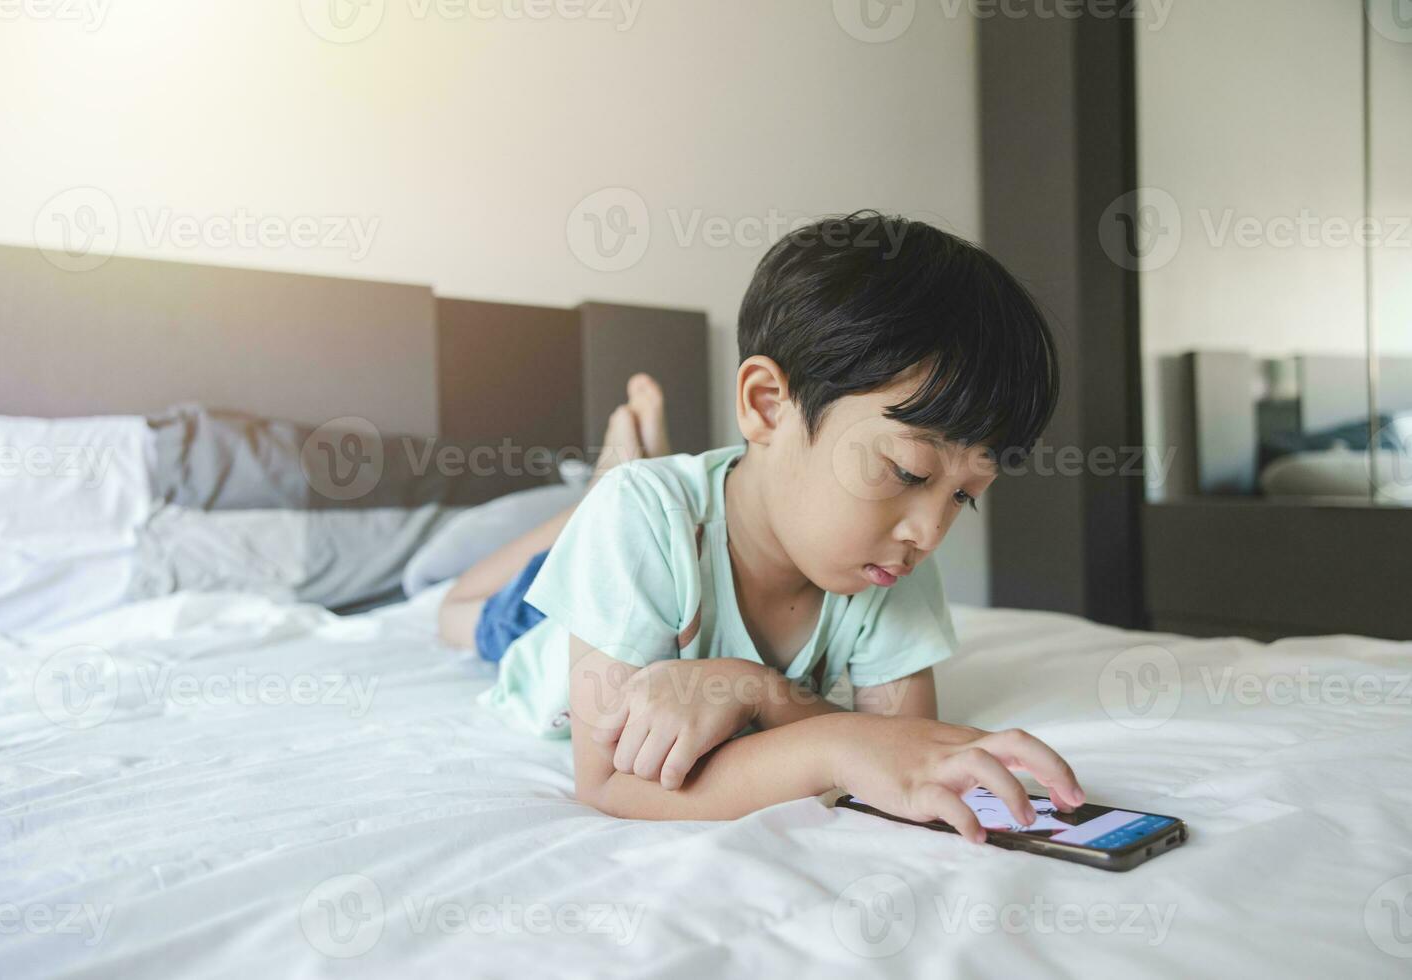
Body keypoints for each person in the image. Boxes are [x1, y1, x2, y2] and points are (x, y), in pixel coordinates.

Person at [438, 210, 1086, 836]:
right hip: (556, 628)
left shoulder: (892, 556)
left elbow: (896, 738)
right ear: (768, 406)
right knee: (459, 612)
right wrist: (829, 745)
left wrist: (760, 692)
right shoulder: (639, 522)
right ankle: (602, 486)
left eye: (963, 496)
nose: (930, 531)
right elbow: (607, 781)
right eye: (910, 473)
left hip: (653, 552)